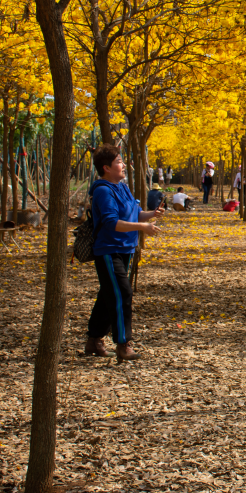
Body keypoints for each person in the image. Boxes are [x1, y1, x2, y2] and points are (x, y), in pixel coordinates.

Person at [84, 145, 164, 362]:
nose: (123, 165)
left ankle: (94, 340)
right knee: (123, 293)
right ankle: (123, 343)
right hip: (109, 251)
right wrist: (141, 228)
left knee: (108, 294)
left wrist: (151, 215)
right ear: (106, 168)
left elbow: (135, 212)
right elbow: (111, 223)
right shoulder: (102, 191)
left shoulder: (123, 188)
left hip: (125, 248)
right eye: (118, 161)